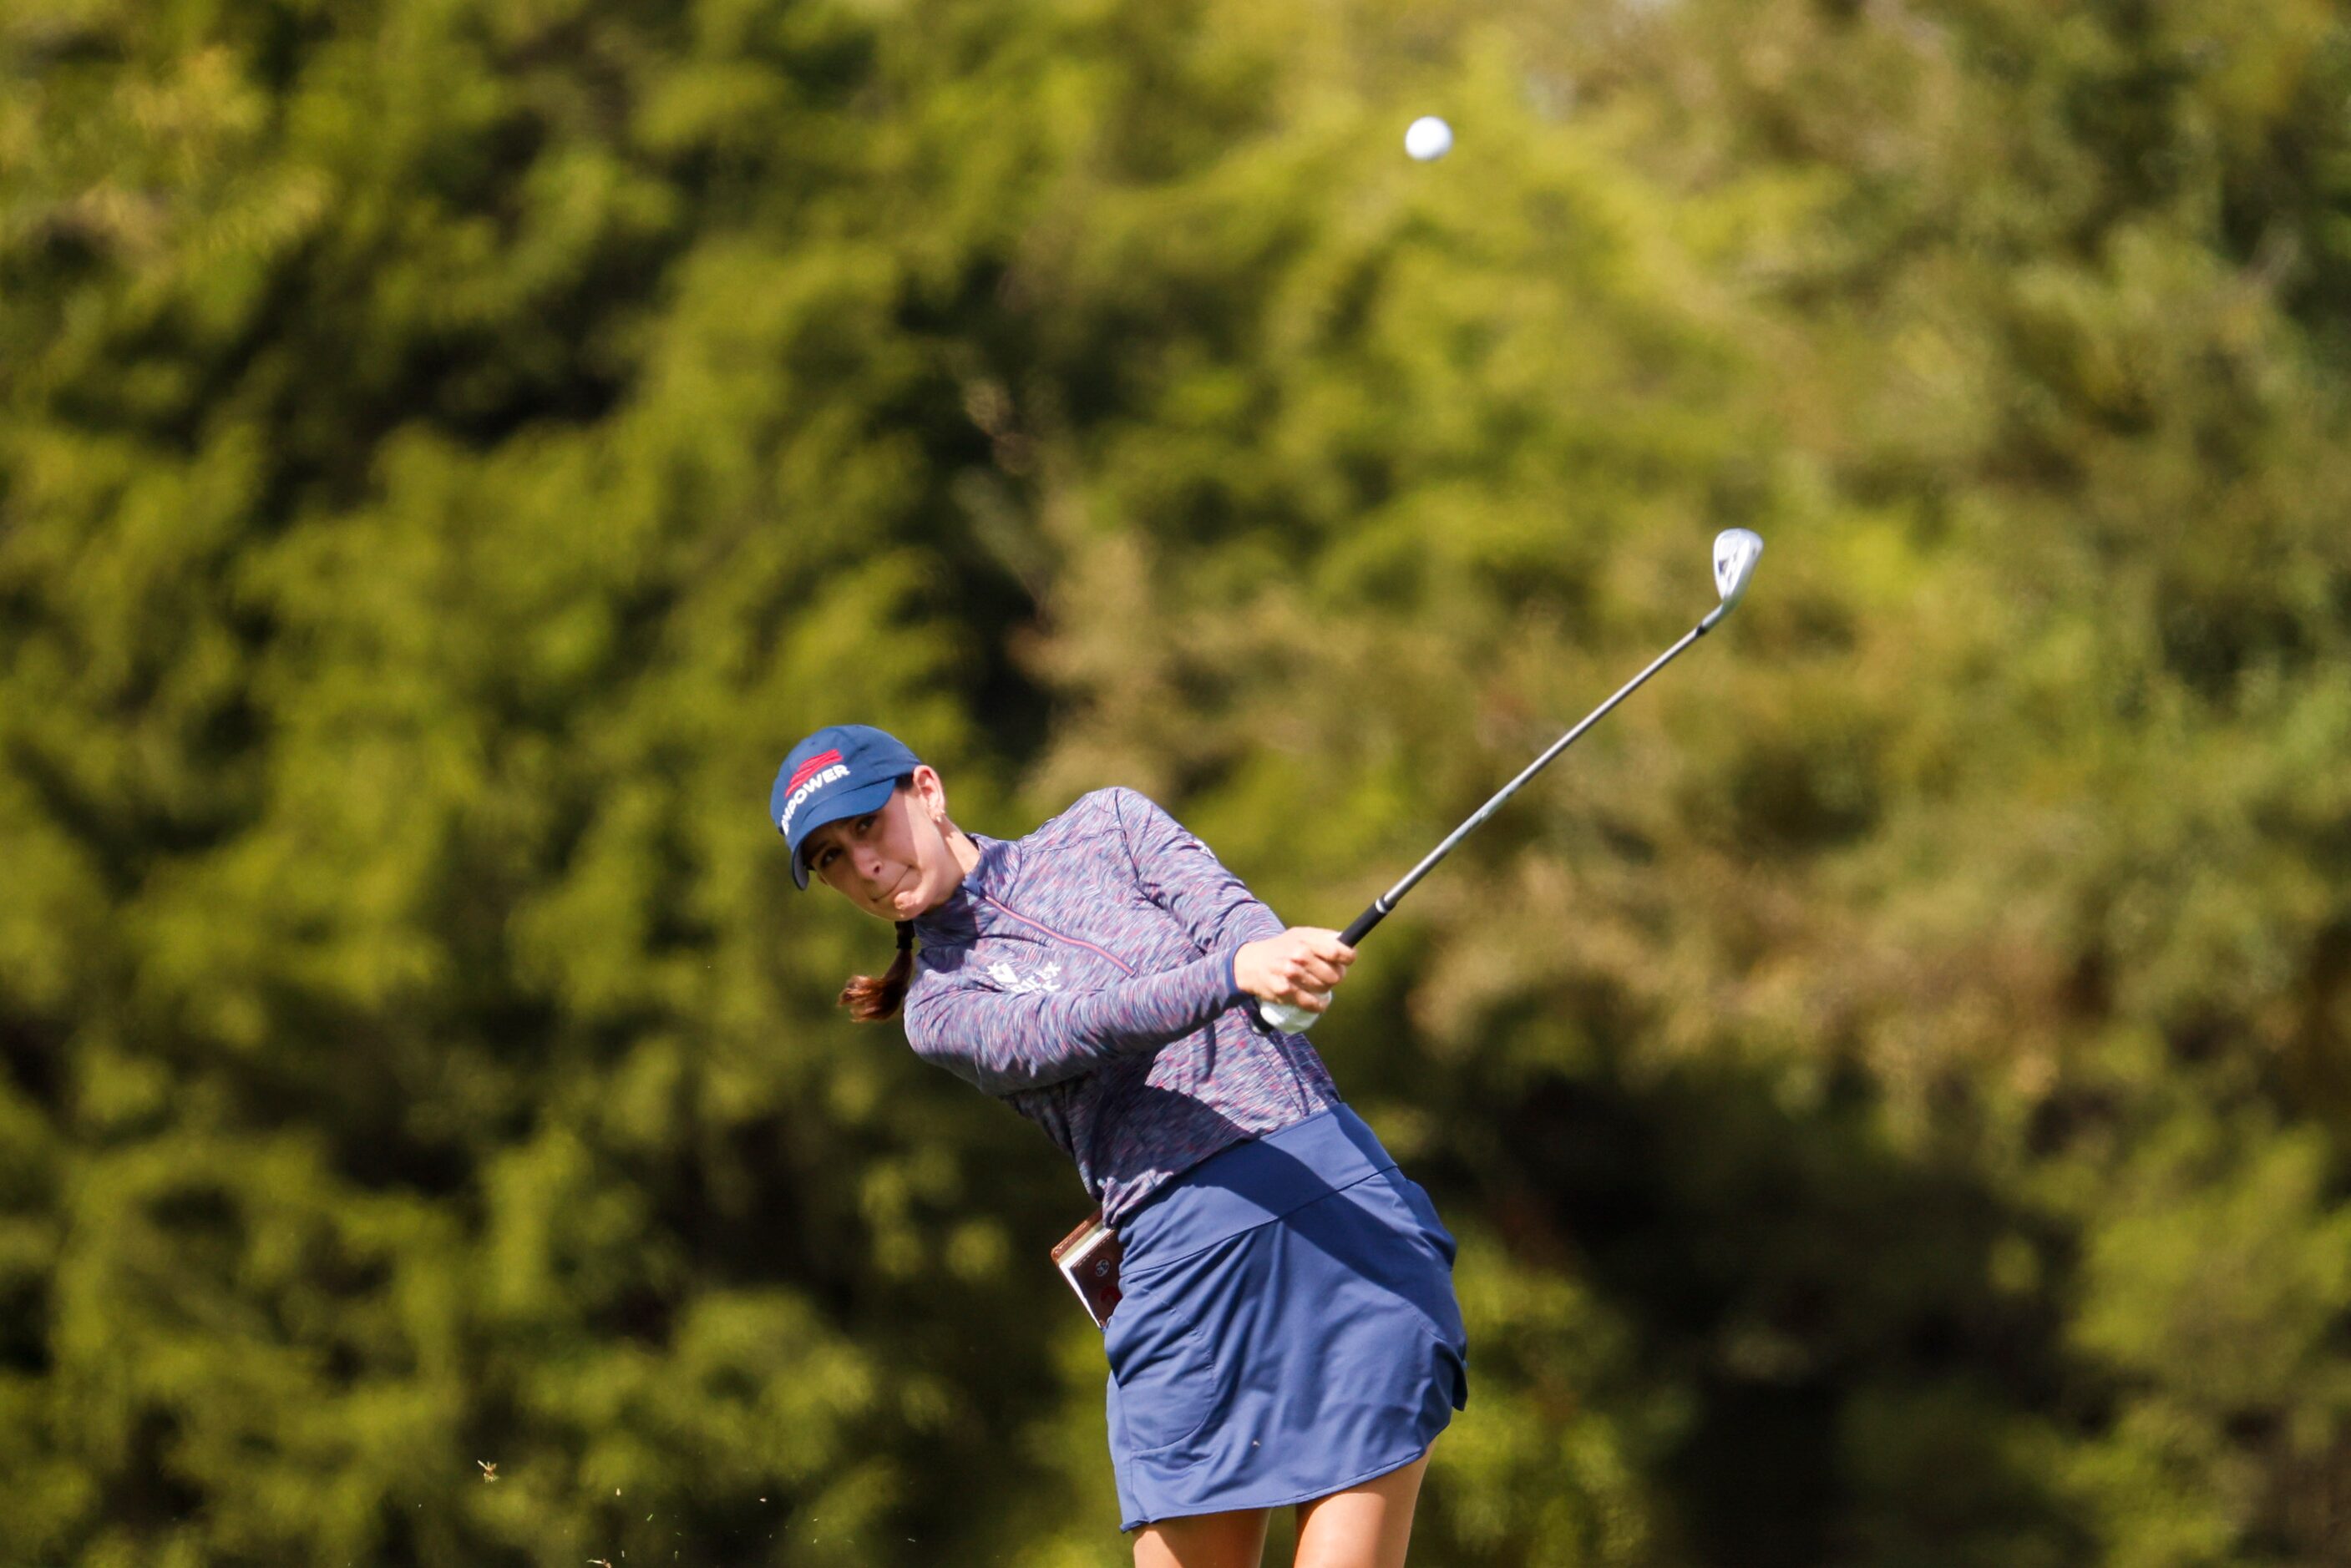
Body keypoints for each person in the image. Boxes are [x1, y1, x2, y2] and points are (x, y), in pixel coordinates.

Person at [773, 724, 1467, 1568]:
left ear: (927, 789)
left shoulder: (1109, 824)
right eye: (830, 859)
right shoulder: (937, 1011)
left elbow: (1233, 922)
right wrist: (1233, 974)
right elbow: (1078, 1027)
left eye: (866, 827)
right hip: (1185, 1276)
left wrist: (1269, 964)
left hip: (1339, 1226)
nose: (864, 867)